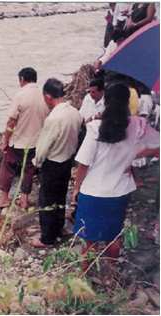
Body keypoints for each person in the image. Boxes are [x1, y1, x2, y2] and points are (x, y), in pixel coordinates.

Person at [72, 83, 159, 271]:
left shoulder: (96, 127)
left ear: (106, 100)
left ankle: (85, 276)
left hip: (93, 191)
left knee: (89, 239)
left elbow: (84, 164)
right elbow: (158, 145)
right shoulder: (138, 125)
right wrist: (136, 155)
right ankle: (111, 276)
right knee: (114, 235)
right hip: (120, 190)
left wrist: (76, 188)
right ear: (128, 101)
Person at [31, 78, 82, 248]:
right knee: (60, 197)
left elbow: (43, 147)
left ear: (47, 96)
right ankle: (58, 228)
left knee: (46, 201)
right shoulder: (75, 113)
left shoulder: (54, 118)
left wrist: (36, 162)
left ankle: (47, 238)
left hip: (53, 163)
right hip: (67, 161)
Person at [0, 67, 50, 208]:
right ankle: (24, 200)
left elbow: (11, 122)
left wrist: (5, 140)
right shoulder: (45, 95)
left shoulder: (20, 95)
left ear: (22, 79)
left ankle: (4, 199)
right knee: (28, 170)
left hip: (19, 142)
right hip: (36, 142)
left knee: (7, 167)